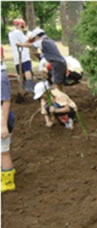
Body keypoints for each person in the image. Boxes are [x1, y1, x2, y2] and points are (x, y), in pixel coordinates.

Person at [1, 47, 16, 193]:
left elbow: (6, 101)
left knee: (3, 151)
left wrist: (3, 125)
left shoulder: (1, 77)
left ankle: (8, 182)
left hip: (2, 119)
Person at [8, 18, 34, 92]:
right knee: (27, 70)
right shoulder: (18, 32)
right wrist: (29, 34)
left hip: (16, 55)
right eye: (22, 26)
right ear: (19, 25)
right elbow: (25, 41)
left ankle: (22, 87)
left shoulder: (11, 33)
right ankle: (29, 87)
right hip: (24, 54)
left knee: (19, 72)